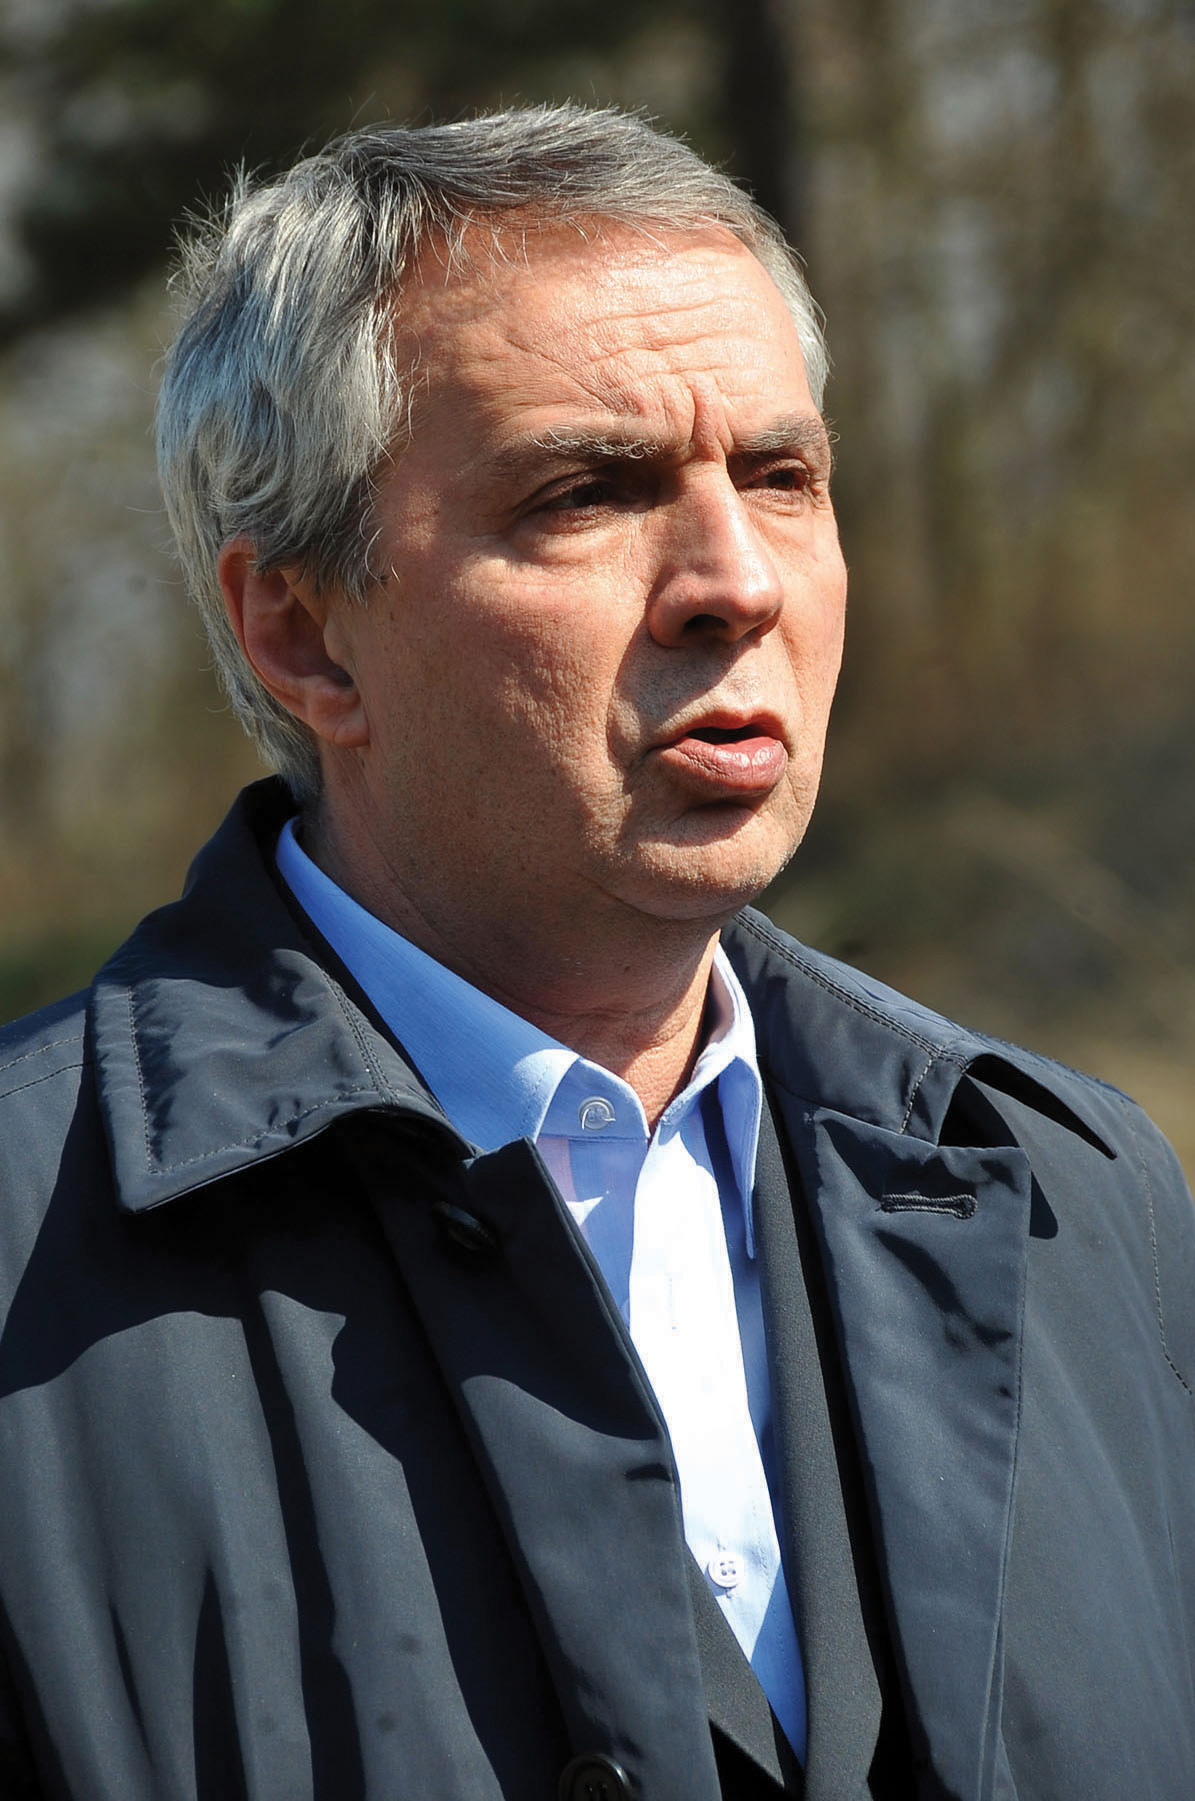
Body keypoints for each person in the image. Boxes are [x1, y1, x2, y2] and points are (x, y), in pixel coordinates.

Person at [0, 104, 1192, 1801]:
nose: (735, 582)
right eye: (588, 491)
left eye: (782, 476)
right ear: (304, 631)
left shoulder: (1075, 1199)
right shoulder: (29, 1257)